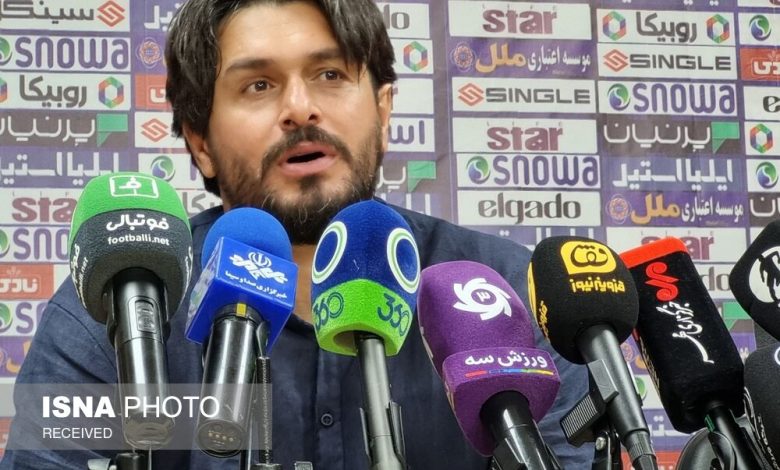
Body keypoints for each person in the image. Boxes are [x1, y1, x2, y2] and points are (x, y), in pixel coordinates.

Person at [0, 0, 593, 468]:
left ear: (384, 110)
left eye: (330, 74)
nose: (300, 108)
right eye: (258, 85)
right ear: (201, 143)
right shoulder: (124, 297)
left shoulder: (505, 291)